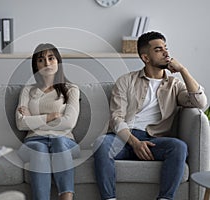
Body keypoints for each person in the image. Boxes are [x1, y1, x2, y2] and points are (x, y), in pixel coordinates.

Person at [93, 31, 207, 200]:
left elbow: (200, 103)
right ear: (145, 57)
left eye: (166, 48)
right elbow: (116, 118)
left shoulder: (174, 85)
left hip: (154, 141)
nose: (166, 53)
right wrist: (135, 143)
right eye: (159, 50)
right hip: (124, 139)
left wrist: (183, 70)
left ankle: (164, 198)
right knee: (102, 143)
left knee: (179, 147)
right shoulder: (126, 81)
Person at [16, 43, 80, 200]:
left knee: (58, 141)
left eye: (51, 58)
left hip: (65, 141)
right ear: (36, 65)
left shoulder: (71, 89)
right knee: (39, 148)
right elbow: (21, 124)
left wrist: (32, 118)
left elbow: (69, 123)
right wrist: (50, 117)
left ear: (58, 61)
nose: (46, 63)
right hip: (33, 141)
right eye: (41, 59)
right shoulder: (28, 90)